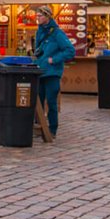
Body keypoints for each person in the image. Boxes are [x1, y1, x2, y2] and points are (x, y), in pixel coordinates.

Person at [32, 8, 75, 139]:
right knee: (38, 102)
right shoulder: (39, 31)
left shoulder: (57, 33)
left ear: (47, 16)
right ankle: (39, 128)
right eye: (37, 15)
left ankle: (52, 129)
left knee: (51, 102)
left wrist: (54, 59)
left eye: (40, 15)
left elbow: (70, 51)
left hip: (52, 73)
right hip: (39, 71)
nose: (37, 18)